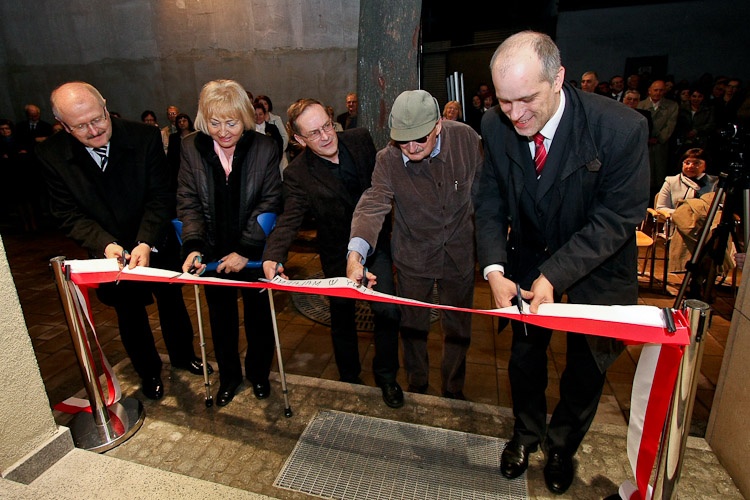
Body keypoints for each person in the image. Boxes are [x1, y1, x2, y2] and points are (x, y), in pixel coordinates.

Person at [474, 31, 649, 494]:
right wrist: (494, 269)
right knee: (524, 357)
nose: (515, 114)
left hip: (598, 262)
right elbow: (489, 199)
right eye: (504, 101)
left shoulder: (621, 129)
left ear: (558, 79)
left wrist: (555, 274)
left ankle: (562, 446)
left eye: (526, 100)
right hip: (528, 255)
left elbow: (617, 217)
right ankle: (526, 433)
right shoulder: (494, 125)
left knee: (587, 366)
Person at [37, 81, 210, 401]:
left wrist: (145, 241)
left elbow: (161, 195)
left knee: (172, 304)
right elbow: (66, 213)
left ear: (105, 105)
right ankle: (148, 372)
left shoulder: (144, 137)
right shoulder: (51, 153)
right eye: (80, 126)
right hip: (107, 249)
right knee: (129, 315)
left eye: (98, 119)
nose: (94, 130)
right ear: (62, 124)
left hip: (155, 240)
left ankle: (184, 356)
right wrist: (105, 245)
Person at [262, 98, 403, 408]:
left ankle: (387, 376)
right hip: (337, 252)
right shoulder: (298, 174)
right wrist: (273, 254)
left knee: (387, 311)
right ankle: (349, 376)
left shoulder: (361, 139)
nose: (326, 136)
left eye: (327, 126)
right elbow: (290, 218)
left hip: (375, 243)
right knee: (341, 315)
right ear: (300, 140)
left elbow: (383, 183)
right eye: (314, 133)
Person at [346, 90, 483, 400]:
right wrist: (356, 256)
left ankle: (453, 388)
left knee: (459, 327)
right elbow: (373, 204)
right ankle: (418, 383)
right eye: (402, 140)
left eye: (420, 138)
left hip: (459, 254)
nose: (411, 148)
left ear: (438, 125)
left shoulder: (466, 139)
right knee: (412, 326)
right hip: (413, 257)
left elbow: (484, 192)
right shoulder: (388, 159)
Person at [176, 79, 282, 407]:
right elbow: (188, 200)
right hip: (212, 251)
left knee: (259, 318)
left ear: (244, 118)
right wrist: (193, 244)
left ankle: (259, 374)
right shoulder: (191, 147)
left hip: (253, 251)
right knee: (221, 320)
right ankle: (229, 377)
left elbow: (270, 201)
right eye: (215, 122)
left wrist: (245, 250)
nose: (223, 132)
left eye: (232, 123)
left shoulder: (264, 147)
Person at [656, 148, 719, 274]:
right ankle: (696, 274)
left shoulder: (715, 183)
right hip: (679, 226)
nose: (690, 166)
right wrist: (686, 214)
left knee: (715, 233)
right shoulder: (671, 181)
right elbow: (660, 208)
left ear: (705, 166)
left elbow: (720, 206)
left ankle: (705, 274)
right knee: (697, 234)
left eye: (696, 163)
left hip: (707, 225)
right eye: (687, 162)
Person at [638, 80, 679, 198]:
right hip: (643, 145)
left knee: (659, 174)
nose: (658, 93)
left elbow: (670, 125)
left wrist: (659, 138)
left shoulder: (672, 106)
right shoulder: (640, 105)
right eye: (655, 90)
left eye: (661, 90)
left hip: (661, 146)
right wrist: (645, 138)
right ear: (649, 91)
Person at [255, 94, 289, 174]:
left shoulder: (272, 128)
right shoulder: (249, 130)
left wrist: (275, 161)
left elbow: (279, 144)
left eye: (260, 114)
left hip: (272, 163)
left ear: (264, 115)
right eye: (255, 115)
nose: (258, 117)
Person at [166, 113, 195, 191]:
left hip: (193, 165)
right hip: (178, 168)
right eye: (179, 122)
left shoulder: (195, 135)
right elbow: (170, 156)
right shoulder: (173, 137)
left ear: (188, 122)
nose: (182, 123)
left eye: (184, 121)